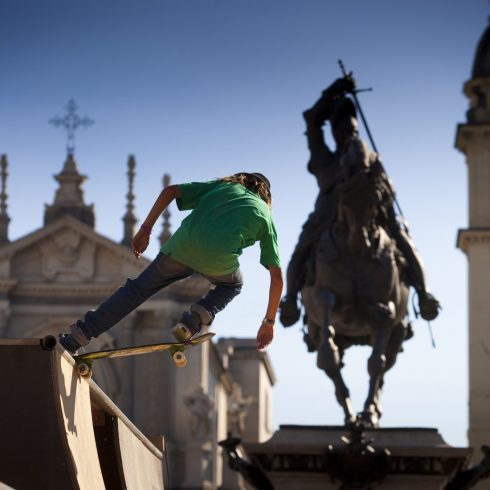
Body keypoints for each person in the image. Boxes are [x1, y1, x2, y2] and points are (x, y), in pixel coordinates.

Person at [59, 172, 283, 353]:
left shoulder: (223, 186)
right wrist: (269, 322)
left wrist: (145, 230)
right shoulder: (265, 214)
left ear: (242, 180)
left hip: (179, 249)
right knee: (232, 285)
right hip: (218, 261)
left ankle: (78, 336)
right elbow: (276, 278)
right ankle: (192, 321)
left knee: (135, 291)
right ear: (265, 195)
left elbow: (170, 191)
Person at [280, 77, 439, 327]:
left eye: (352, 129)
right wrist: (333, 91)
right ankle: (290, 299)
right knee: (303, 247)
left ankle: (423, 293)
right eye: (344, 130)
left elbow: (389, 186)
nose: (349, 134)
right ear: (335, 132)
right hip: (328, 214)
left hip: (372, 210)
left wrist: (381, 192)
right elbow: (312, 118)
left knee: (402, 238)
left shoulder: (372, 157)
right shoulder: (323, 157)